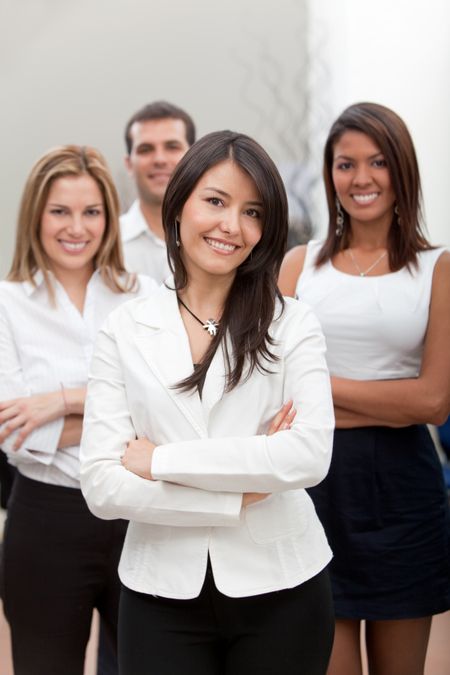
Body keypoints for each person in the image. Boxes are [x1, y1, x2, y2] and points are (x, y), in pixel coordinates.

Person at [80, 130, 336, 675]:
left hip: (284, 586)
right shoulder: (125, 328)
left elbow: (307, 458)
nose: (231, 226)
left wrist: (160, 462)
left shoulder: (293, 324)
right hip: (159, 592)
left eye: (252, 212)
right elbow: (102, 484)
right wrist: (238, 492)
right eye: (215, 202)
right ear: (179, 207)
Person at [279, 101, 450, 675]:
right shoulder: (298, 268)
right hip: (318, 485)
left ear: (401, 171)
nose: (361, 178)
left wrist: (320, 390)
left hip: (406, 489)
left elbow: (432, 401)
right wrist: (386, 404)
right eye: (344, 164)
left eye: (377, 162)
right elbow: (277, 393)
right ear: (329, 174)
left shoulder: (438, 269)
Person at [0, 145, 156, 675]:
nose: (77, 227)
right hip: (46, 520)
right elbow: (11, 432)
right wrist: (118, 412)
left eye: (91, 212)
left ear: (110, 218)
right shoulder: (6, 304)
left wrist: (57, 402)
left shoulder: (145, 297)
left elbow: (162, 405)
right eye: (60, 211)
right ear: (36, 216)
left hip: (140, 516)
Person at [120, 100, 196, 281]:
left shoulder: (222, 238)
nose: (160, 159)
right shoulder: (106, 245)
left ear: (195, 157)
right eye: (146, 149)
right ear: (129, 164)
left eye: (172, 147)